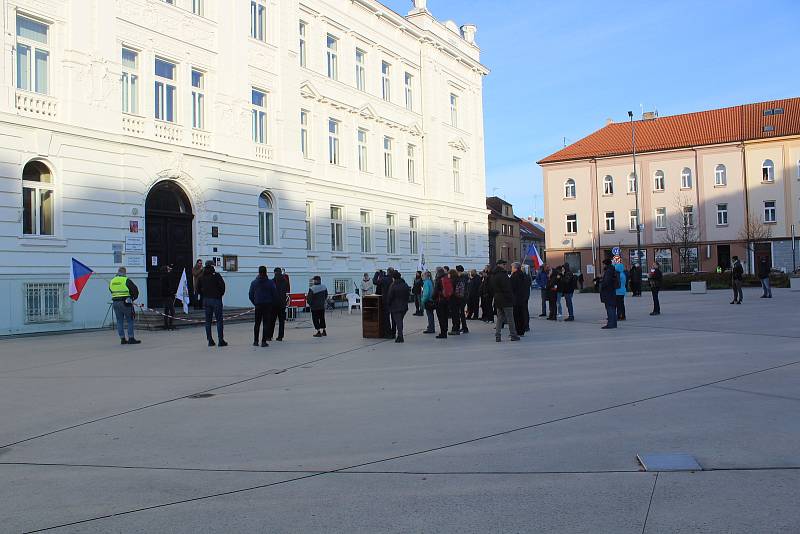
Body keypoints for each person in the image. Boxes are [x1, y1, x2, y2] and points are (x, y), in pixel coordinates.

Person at [197, 261, 227, 347]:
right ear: (212, 266)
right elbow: (222, 286)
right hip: (216, 299)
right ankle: (220, 340)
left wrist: (203, 295)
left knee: (208, 321)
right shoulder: (216, 275)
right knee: (219, 320)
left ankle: (210, 340)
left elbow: (198, 289)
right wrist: (219, 294)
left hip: (206, 300)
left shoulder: (201, 277)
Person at [109, 267, 141, 344]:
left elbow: (110, 290)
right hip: (125, 303)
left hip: (115, 303)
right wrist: (132, 298)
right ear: (124, 272)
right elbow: (135, 290)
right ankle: (131, 338)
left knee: (119, 321)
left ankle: (122, 339)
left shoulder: (112, 281)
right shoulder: (126, 280)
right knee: (130, 320)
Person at [490, 260, 520, 342]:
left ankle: (498, 335)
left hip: (497, 298)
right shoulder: (503, 275)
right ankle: (513, 335)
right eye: (503, 264)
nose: (505, 266)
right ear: (499, 265)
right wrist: (511, 298)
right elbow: (507, 288)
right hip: (506, 298)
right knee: (510, 318)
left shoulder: (493, 274)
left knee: (500, 318)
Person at [249, 266, 278, 347]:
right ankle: (263, 341)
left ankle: (255, 341)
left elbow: (250, 294)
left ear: (258, 272)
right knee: (266, 323)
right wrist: (272, 303)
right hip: (268, 305)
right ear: (266, 272)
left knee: (257, 323)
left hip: (258, 304)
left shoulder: (254, 282)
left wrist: (255, 302)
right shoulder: (270, 282)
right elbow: (274, 294)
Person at [386, 270, 411, 343]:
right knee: (400, 321)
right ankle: (400, 335)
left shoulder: (393, 285)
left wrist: (388, 304)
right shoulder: (405, 284)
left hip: (395, 306)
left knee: (398, 322)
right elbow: (408, 295)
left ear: (393, 278)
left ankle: (400, 336)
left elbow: (390, 296)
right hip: (404, 306)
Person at [266, 267, 289, 342]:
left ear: (274, 272)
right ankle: (280, 337)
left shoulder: (272, 281)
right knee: (281, 321)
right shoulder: (285, 281)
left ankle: (269, 336)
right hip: (282, 304)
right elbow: (288, 290)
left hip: (273, 304)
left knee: (272, 321)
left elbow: (269, 292)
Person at [510, 262, 529, 335]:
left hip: (516, 298)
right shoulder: (524, 275)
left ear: (515, 268)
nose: (511, 269)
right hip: (523, 297)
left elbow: (512, 287)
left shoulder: (514, 276)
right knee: (522, 314)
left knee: (516, 315)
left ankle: (518, 330)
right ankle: (522, 330)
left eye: (512, 267)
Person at [433, 267, 452, 339]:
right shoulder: (446, 278)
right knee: (445, 316)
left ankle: (443, 333)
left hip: (440, 301)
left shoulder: (438, 280)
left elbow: (435, 292)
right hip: (447, 300)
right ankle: (445, 331)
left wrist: (433, 298)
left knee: (441, 317)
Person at [599, 258, 619, 329]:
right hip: (612, 291)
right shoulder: (612, 270)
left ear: (605, 264)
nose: (603, 265)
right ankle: (614, 323)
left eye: (603, 264)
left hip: (608, 292)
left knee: (609, 308)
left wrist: (601, 284)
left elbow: (606, 282)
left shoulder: (608, 271)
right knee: (612, 308)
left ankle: (610, 323)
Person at [161, 264, 179, 330]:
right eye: (168, 268)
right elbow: (169, 286)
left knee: (166, 310)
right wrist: (172, 293)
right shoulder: (166, 276)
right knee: (172, 311)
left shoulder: (163, 276)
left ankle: (166, 324)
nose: (170, 269)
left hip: (165, 295)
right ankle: (170, 324)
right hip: (168, 296)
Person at [454, 265, 469, 333]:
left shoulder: (462, 278)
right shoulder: (465, 277)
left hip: (462, 297)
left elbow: (461, 288)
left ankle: (464, 327)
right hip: (464, 296)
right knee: (462, 312)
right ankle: (464, 327)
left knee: (461, 312)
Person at [448, 269, 463, 335]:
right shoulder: (458, 280)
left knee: (454, 315)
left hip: (453, 299)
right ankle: (457, 328)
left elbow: (450, 291)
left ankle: (455, 329)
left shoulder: (452, 281)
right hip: (459, 299)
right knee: (457, 314)